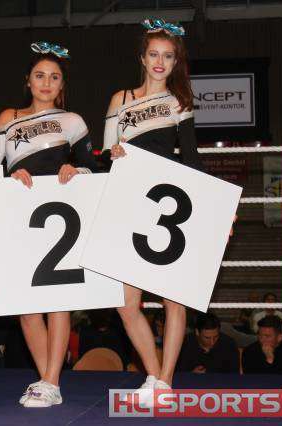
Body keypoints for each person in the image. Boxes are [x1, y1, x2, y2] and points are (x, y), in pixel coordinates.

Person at [0, 41, 98, 408]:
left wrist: (74, 169)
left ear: (62, 84)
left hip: (59, 218)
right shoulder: (7, 118)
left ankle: (50, 381)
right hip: (19, 213)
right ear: (28, 81)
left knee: (57, 302)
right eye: (40, 75)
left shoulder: (73, 121)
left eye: (54, 77)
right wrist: (9, 176)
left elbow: (93, 168)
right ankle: (47, 378)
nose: (46, 83)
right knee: (26, 307)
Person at [104, 18, 204, 401]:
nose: (160, 62)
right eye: (154, 54)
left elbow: (192, 158)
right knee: (126, 304)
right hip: (129, 201)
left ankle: (165, 382)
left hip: (168, 203)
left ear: (175, 62)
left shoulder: (179, 102)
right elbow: (105, 154)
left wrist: (215, 209)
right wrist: (112, 154)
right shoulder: (120, 99)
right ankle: (152, 373)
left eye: (168, 56)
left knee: (172, 299)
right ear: (142, 59)